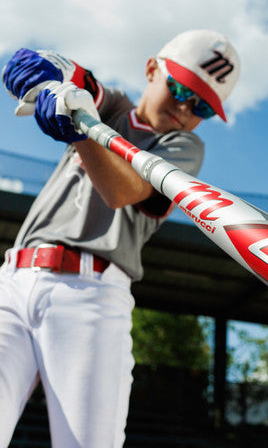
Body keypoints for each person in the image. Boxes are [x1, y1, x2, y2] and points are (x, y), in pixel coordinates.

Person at [0, 29, 240, 447]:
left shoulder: (184, 145)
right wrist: (54, 75)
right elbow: (82, 83)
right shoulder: (111, 107)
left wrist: (79, 132)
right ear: (152, 69)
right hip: (13, 280)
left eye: (201, 104)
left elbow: (123, 191)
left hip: (90, 296)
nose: (185, 108)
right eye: (181, 89)